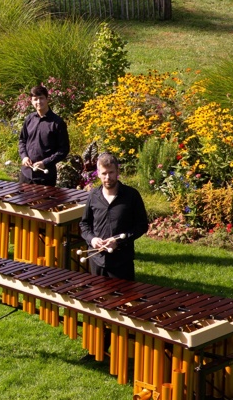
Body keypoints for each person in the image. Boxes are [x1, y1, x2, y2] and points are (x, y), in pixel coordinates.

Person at [79, 153, 149, 281]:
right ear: (98, 173)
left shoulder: (131, 195)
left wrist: (118, 241)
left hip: (122, 260)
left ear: (117, 171)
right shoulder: (93, 195)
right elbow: (84, 224)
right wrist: (92, 240)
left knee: (122, 299)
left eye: (111, 172)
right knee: (97, 298)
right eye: (104, 173)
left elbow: (142, 225)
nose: (108, 177)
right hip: (96, 260)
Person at [17, 85, 70, 187]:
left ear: (47, 99)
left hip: (46, 177)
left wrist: (45, 162)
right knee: (21, 203)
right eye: (35, 99)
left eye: (41, 98)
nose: (38, 102)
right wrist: (24, 157)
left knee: (44, 203)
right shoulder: (29, 119)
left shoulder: (57, 123)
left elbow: (64, 149)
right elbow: (22, 141)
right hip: (26, 175)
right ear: (31, 101)